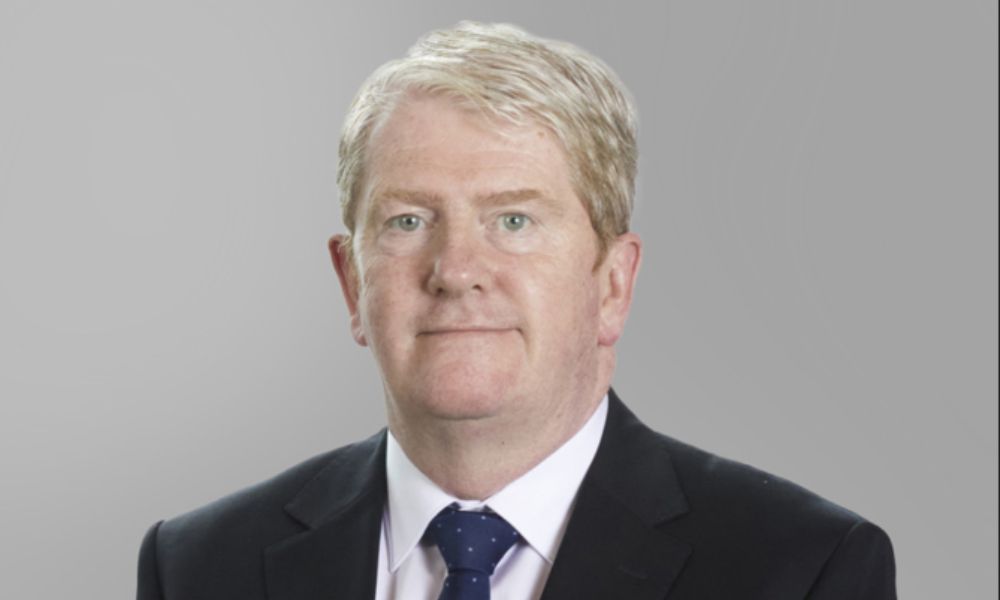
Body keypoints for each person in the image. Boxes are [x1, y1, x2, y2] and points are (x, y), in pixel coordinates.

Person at [136, 22, 896, 599]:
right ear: (351, 283)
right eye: (408, 221)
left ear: (612, 285)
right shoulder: (200, 568)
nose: (457, 270)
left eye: (514, 220)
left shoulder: (801, 570)